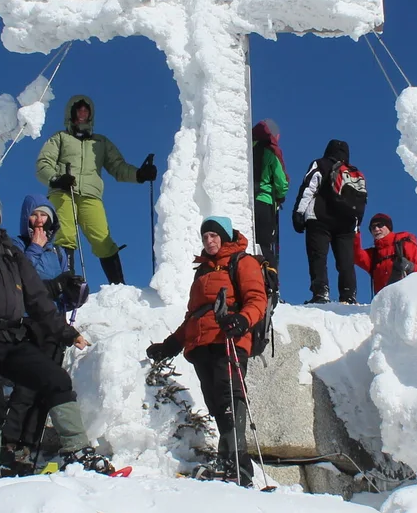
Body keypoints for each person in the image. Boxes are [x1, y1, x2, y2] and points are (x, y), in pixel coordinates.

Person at [0, 193, 110, 478]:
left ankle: (77, 451)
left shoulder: (10, 252)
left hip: (12, 337)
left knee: (56, 379)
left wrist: (66, 332)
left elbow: (37, 298)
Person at [146, 216, 269, 487]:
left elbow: (256, 299)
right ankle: (228, 462)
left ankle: (238, 464)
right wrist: (171, 345)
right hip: (201, 345)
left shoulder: (242, 261)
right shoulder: (201, 272)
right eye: (205, 237)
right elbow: (194, 316)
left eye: (214, 235)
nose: (209, 241)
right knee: (216, 401)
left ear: (224, 237)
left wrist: (242, 320)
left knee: (229, 395)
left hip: (229, 338)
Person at [4, 194, 91, 470]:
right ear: (26, 218)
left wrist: (73, 295)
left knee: (46, 389)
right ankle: (8, 445)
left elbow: (58, 293)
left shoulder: (59, 252)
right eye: (35, 215)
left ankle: (27, 449)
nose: (40, 221)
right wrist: (35, 248)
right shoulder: (17, 245)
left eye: (45, 216)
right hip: (28, 322)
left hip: (54, 323)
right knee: (27, 385)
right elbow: (18, 280)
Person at [35, 95, 157, 286]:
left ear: (90, 115)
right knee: (65, 234)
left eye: (86, 110)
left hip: (91, 195)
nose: (83, 113)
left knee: (102, 238)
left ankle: (119, 287)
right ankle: (66, 283)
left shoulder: (100, 143)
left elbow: (118, 166)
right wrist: (56, 179)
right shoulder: (60, 138)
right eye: (79, 110)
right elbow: (43, 163)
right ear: (71, 113)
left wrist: (139, 174)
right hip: (62, 191)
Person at [291, 139, 365, 304]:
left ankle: (320, 293)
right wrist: (356, 226)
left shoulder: (320, 164)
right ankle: (348, 295)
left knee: (318, 257)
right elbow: (360, 202)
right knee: (346, 261)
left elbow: (309, 188)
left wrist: (298, 212)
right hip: (346, 223)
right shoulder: (354, 173)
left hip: (320, 218)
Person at [352, 213, 417, 298]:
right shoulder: (373, 255)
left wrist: (410, 267)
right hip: (384, 304)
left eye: (380, 225)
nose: (376, 229)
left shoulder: (404, 243)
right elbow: (355, 255)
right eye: (372, 228)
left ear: (388, 227)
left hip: (407, 299)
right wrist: (355, 232)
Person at [252, 119, 288, 275]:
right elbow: (281, 183)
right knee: (265, 244)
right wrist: (280, 196)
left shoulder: (248, 148)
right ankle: (269, 280)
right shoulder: (272, 152)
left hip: (249, 202)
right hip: (265, 202)